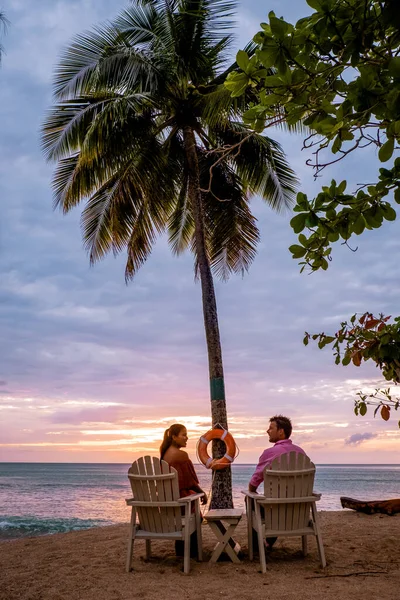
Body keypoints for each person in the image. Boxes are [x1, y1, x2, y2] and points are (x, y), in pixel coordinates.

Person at [249, 415, 306, 550]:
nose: (267, 431)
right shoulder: (301, 453)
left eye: (271, 428)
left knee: (250, 498)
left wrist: (251, 491)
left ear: (281, 431)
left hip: (276, 514)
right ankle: (268, 542)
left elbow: (254, 482)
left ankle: (257, 547)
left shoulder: (270, 453)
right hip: (298, 514)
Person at [160, 424, 207, 557]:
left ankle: (180, 549)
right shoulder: (181, 455)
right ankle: (192, 552)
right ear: (174, 437)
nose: (187, 438)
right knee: (196, 514)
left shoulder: (164, 455)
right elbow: (190, 481)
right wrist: (202, 493)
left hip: (167, 504)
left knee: (191, 503)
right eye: (184, 435)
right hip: (180, 504)